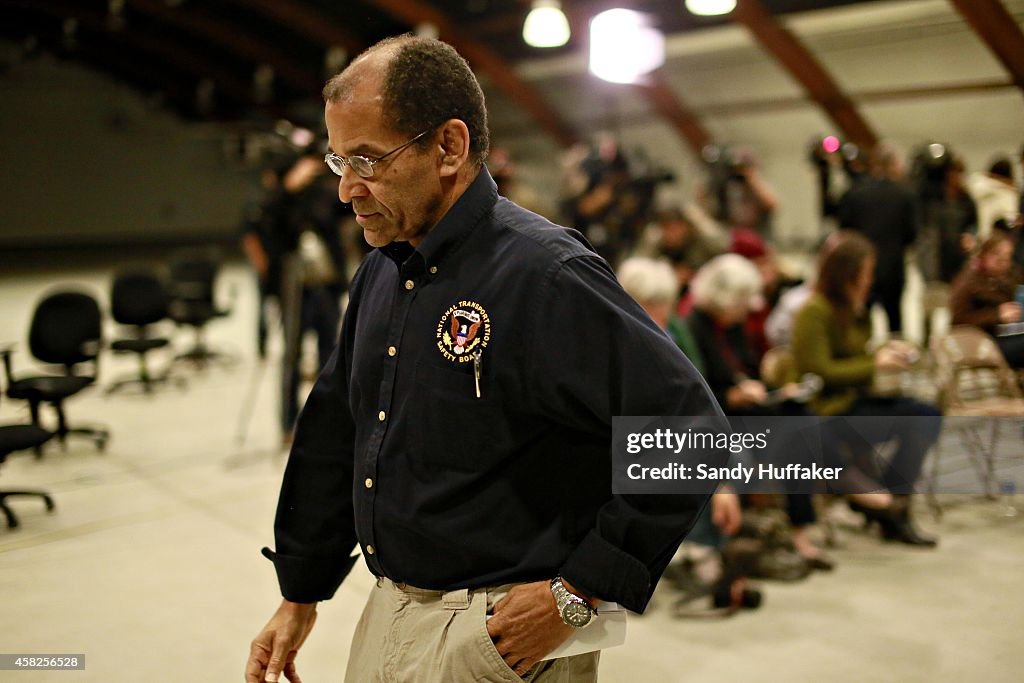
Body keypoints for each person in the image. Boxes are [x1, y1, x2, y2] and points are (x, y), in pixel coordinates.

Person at [246, 36, 723, 683]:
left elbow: (689, 433)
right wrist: (300, 591)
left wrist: (581, 590)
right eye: (337, 160)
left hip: (499, 634)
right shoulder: (380, 273)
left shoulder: (545, 274)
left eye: (366, 159)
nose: (346, 189)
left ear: (449, 147)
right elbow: (338, 431)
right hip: (389, 612)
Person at [791, 232, 941, 546]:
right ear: (848, 274)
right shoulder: (814, 312)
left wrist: (888, 351)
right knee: (915, 418)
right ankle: (888, 509)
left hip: (856, 401)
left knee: (926, 415)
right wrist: (875, 365)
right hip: (826, 411)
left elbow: (858, 355)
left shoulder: (856, 309)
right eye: (866, 272)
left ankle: (892, 500)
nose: (870, 279)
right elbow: (818, 372)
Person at [837, 142, 919, 334]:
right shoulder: (905, 194)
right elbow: (911, 234)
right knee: (895, 320)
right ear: (894, 164)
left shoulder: (854, 194)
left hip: (860, 268)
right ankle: (898, 357)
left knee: (858, 318)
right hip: (893, 267)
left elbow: (845, 233)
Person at [949, 234, 1024, 367]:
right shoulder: (968, 281)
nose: (1004, 262)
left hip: (1007, 333)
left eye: (1008, 256)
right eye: (998, 256)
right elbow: (959, 321)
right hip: (982, 342)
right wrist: (997, 314)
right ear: (984, 254)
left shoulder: (1008, 275)